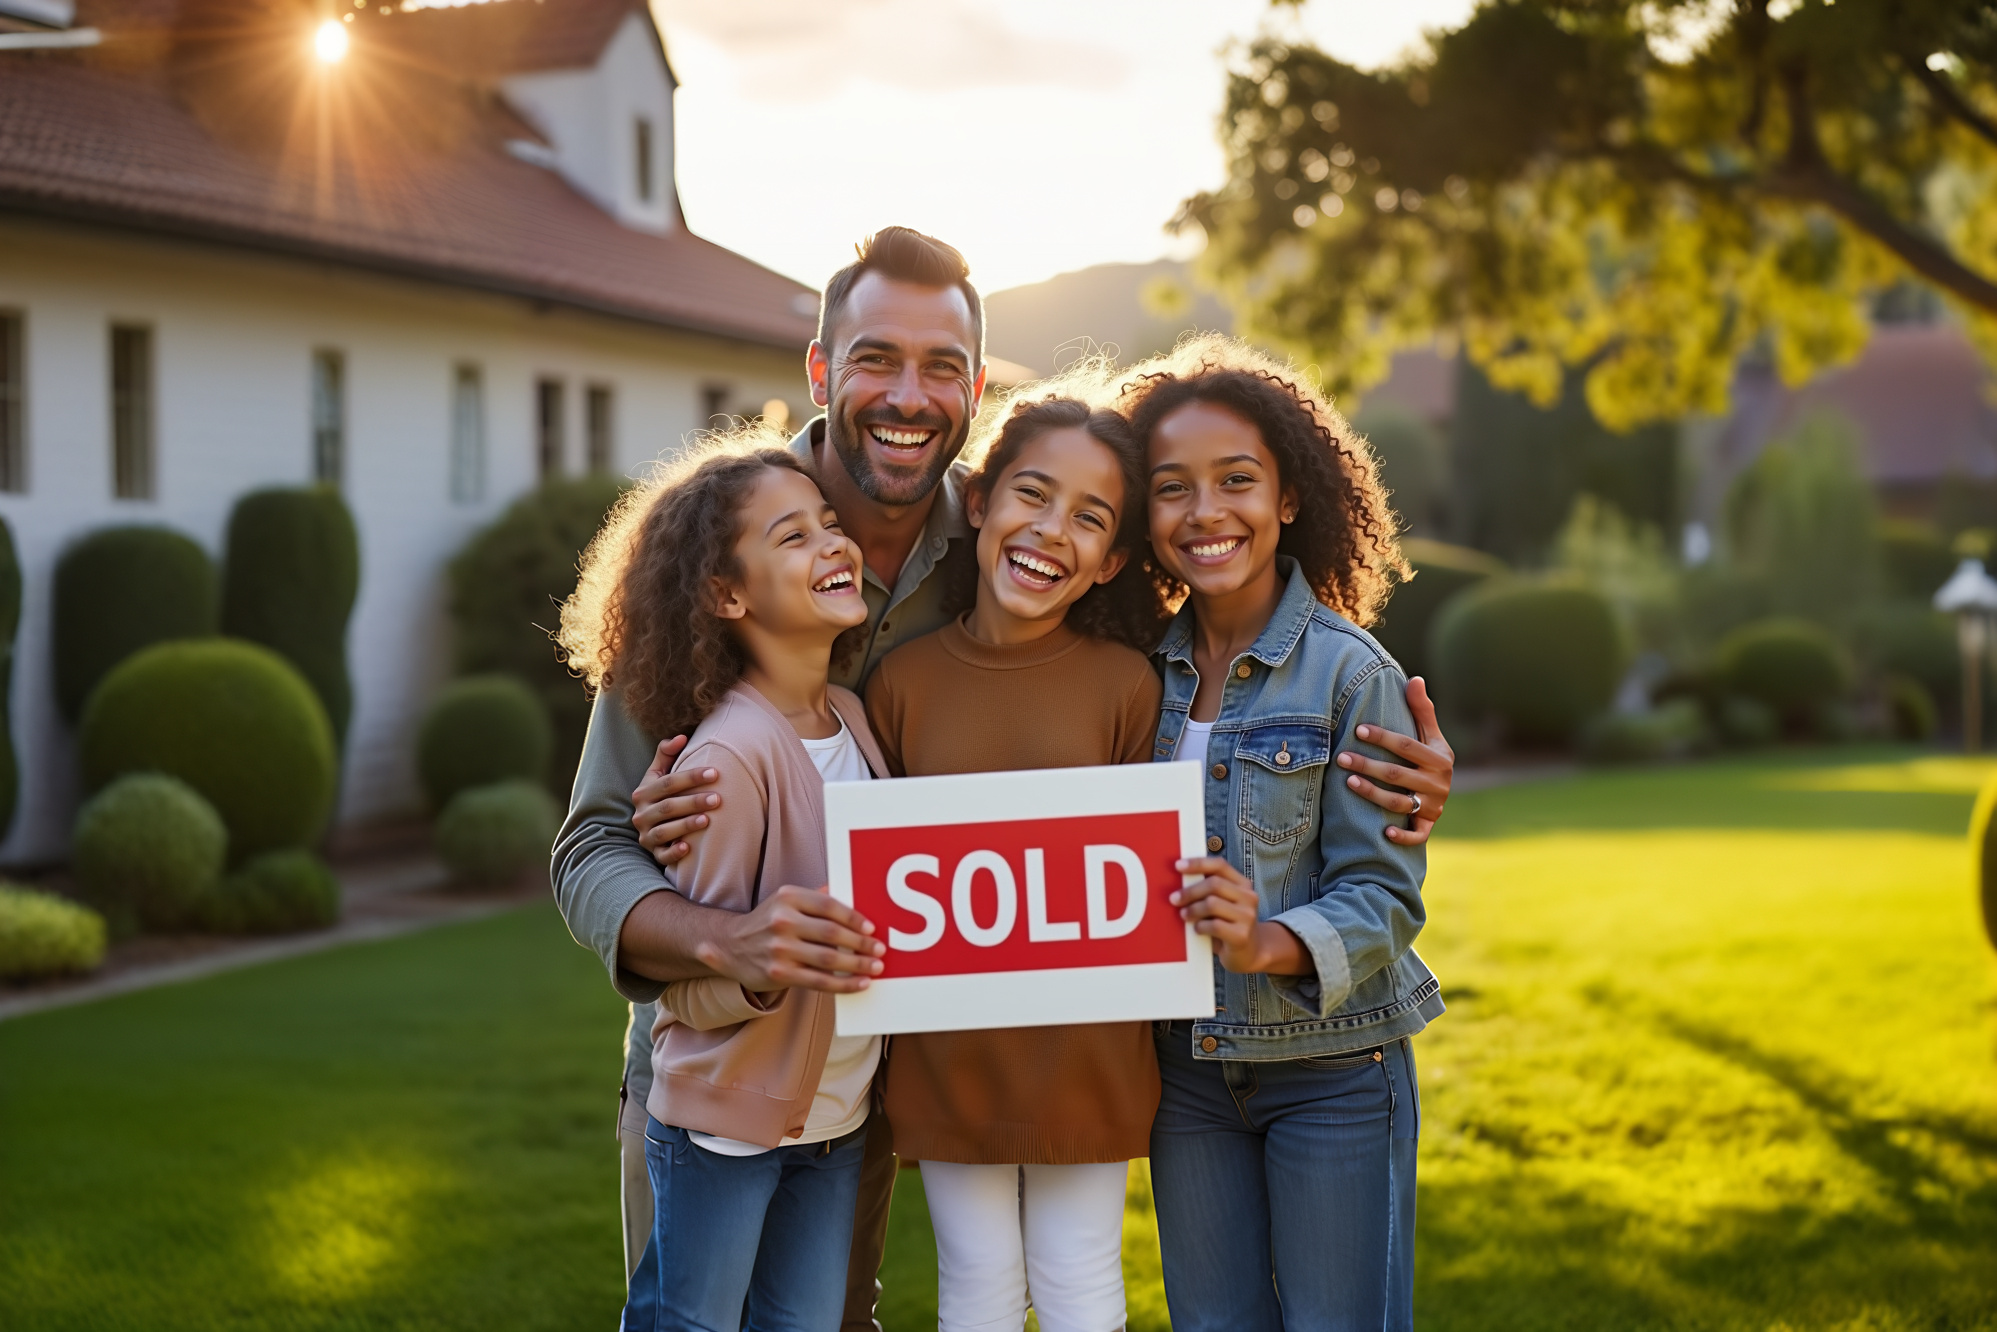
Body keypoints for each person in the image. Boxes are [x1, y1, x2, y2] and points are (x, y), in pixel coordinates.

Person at [552, 226, 1456, 1331]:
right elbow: (594, 844)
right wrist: (709, 932)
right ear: (820, 368)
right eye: (876, 357)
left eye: (941, 368)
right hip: (719, 1060)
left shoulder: (1015, 551)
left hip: (888, 1060)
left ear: (973, 393)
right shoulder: (729, 536)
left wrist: (1372, 756)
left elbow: (1194, 656)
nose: (906, 392)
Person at [1124, 336, 1442, 1332]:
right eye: (1171, 487)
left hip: (1332, 1073)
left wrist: (1266, 938)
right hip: (1186, 1077)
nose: (1204, 511)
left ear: (1288, 498)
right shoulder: (1136, 675)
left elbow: (1383, 896)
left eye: (1235, 481)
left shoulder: (1351, 675)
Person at [559, 438, 889, 1330]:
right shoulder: (727, 759)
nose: (831, 543)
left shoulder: (854, 723)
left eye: (829, 524)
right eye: (792, 537)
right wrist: (752, 966)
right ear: (725, 595)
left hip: (833, 1120)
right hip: (724, 1128)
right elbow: (688, 994)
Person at [863, 396, 1168, 1332]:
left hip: (1089, 1059)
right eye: (1031, 495)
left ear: (1112, 560)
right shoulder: (900, 683)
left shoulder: (1127, 686)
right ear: (981, 505)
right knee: (976, 1288)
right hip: (949, 1061)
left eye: (1089, 517)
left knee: (1081, 1286)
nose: (1050, 531)